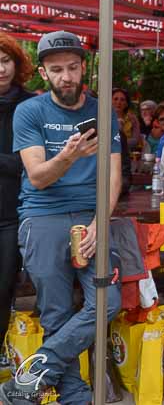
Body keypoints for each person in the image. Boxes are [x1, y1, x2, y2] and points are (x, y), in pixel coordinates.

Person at [1, 30, 121, 405]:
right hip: (42, 215)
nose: (66, 77)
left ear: (84, 67)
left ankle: (31, 375)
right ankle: (75, 396)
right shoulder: (30, 111)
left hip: (91, 215)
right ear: (43, 73)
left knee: (108, 301)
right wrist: (69, 155)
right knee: (55, 312)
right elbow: (37, 177)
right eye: (56, 70)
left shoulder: (103, 111)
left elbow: (113, 175)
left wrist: (100, 223)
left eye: (72, 67)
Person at [0, 34, 35, 369]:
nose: (0, 69)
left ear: (16, 64)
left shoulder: (30, 105)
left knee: (3, 290)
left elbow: (29, 163)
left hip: (13, 213)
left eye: (5, 60)